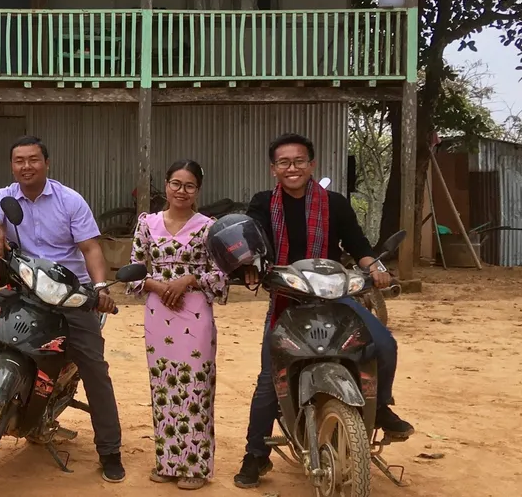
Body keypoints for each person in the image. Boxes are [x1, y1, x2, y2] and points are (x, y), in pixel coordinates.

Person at [233, 133, 415, 489]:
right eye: (284, 162)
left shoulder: (334, 203)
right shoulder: (261, 205)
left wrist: (374, 268)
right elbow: (251, 246)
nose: (292, 168)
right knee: (270, 379)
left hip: (334, 295)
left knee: (384, 345)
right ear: (274, 169)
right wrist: (249, 268)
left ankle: (378, 408)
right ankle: (256, 454)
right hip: (288, 298)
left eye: (299, 161)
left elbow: (358, 245)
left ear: (312, 165)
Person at [0, 135, 126, 483]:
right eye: (19, 160)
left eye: (33, 160)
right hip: (24, 287)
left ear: (46, 163)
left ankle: (110, 450)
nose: (26, 166)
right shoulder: (5, 197)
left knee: (94, 366)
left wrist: (98, 289)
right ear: (12, 165)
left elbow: (91, 248)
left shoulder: (69, 200)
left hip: (69, 294)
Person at [129, 159, 226, 490]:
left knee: (195, 385)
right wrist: (157, 286)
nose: (181, 191)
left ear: (198, 190)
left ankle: (195, 467)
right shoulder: (146, 224)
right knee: (163, 384)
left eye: (189, 186)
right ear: (166, 185)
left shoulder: (209, 228)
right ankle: (167, 462)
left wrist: (188, 280)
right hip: (159, 313)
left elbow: (220, 275)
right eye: (175, 183)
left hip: (195, 311)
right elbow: (134, 270)